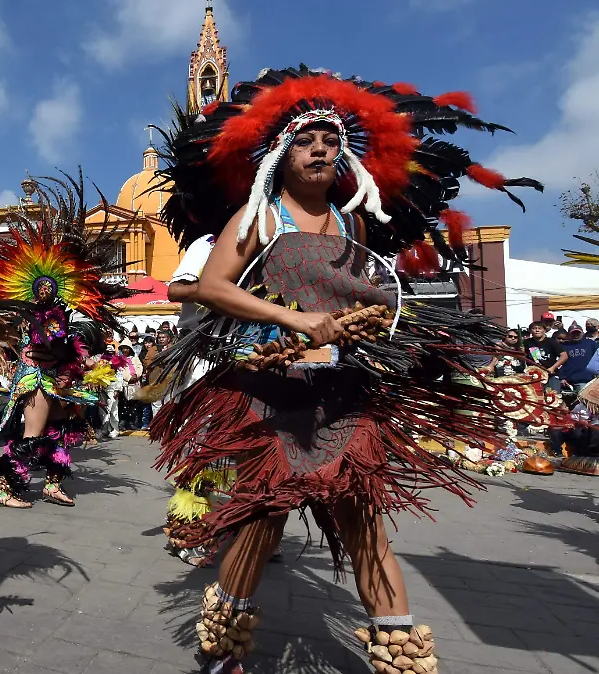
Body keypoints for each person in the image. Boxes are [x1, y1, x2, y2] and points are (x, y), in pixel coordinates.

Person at [150, 66, 545, 673]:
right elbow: (211, 286)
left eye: (331, 144)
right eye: (305, 142)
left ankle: (400, 652)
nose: (319, 151)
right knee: (263, 520)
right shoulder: (259, 218)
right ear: (279, 155)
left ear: (346, 160)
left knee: (364, 517)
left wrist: (385, 316)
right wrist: (299, 323)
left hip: (342, 393)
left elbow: (363, 291)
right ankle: (223, 644)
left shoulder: (352, 224)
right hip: (272, 392)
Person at [0, 174, 129, 510]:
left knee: (62, 430)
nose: (45, 292)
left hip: (57, 377)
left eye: (50, 288)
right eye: (40, 287)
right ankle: (6, 489)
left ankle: (53, 484)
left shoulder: (61, 315)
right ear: (32, 288)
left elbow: (65, 344)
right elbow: (52, 344)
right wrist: (75, 356)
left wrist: (82, 359)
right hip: (37, 377)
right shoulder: (33, 317)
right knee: (33, 434)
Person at [526, 321, 567, 392]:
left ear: (544, 330)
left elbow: (564, 356)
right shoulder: (526, 342)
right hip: (534, 376)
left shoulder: (551, 342)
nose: (537, 330)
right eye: (534, 328)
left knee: (554, 397)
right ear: (530, 331)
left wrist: (553, 368)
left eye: (540, 328)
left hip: (551, 375)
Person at [557, 322, 597, 389]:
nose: (576, 335)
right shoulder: (563, 346)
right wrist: (562, 377)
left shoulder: (591, 343)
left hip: (590, 379)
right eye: (573, 333)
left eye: (578, 333)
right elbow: (560, 364)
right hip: (570, 379)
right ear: (568, 334)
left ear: (582, 333)